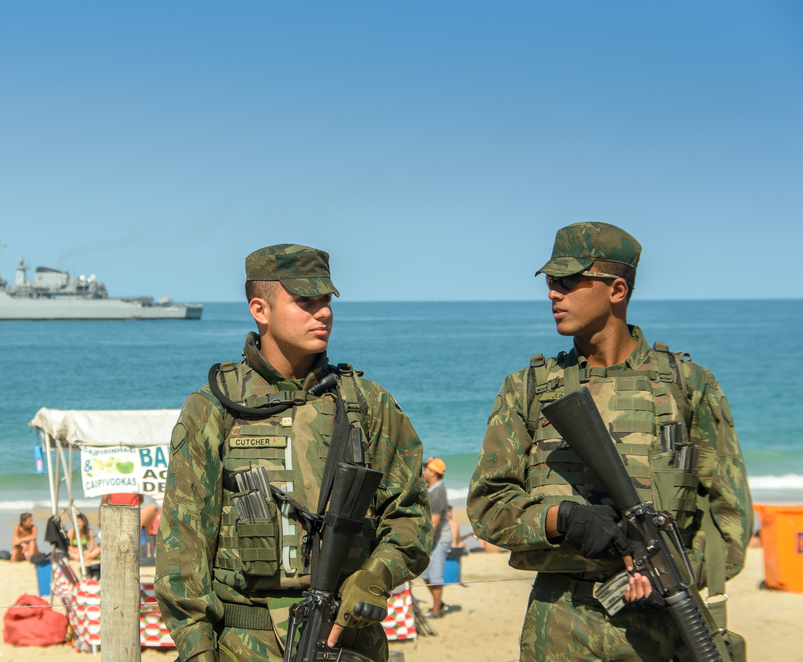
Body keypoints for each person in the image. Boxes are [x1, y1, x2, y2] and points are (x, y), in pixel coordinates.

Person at [466, 222, 753, 662]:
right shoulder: (527, 389)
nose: (552, 294)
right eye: (549, 282)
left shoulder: (687, 386)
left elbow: (727, 519)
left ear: (617, 290)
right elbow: (488, 507)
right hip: (558, 624)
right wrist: (562, 519)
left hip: (661, 627)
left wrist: (674, 576)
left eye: (567, 281)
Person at [155, 244, 432, 662]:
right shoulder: (214, 408)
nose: (322, 313)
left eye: (326, 301)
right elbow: (183, 547)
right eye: (304, 301)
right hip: (244, 645)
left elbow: (410, 518)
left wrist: (377, 575)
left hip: (345, 640)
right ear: (259, 310)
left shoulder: (367, 405)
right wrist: (197, 650)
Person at [421, 457, 460, 619]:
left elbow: (435, 522)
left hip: (438, 538)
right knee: (425, 575)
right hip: (434, 538)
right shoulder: (432, 489)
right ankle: (439, 604)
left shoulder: (437, 492)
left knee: (435, 576)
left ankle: (437, 610)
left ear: (433, 473)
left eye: (426, 469)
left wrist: (424, 542)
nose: (423, 472)